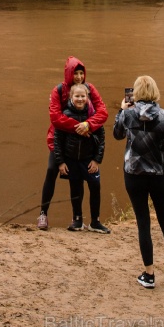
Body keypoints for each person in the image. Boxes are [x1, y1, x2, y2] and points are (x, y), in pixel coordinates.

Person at [113, 75, 164, 288]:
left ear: (135, 94)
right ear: (154, 91)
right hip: (159, 175)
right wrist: (160, 159)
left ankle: (149, 274)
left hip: (134, 175)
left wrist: (121, 109)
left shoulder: (127, 114)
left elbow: (117, 134)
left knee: (143, 223)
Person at [37, 56, 108, 231]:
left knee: (80, 179)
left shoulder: (89, 89)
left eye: (81, 73)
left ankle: (80, 219)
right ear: (68, 73)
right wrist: (77, 126)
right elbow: (55, 118)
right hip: (60, 139)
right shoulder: (58, 90)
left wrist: (88, 125)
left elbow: (103, 112)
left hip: (84, 140)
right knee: (51, 170)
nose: (78, 77)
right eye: (75, 73)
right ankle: (43, 213)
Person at [54, 83, 107, 232]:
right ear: (71, 97)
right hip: (71, 159)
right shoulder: (65, 114)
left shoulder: (93, 115)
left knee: (95, 187)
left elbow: (102, 139)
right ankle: (77, 219)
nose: (80, 99)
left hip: (89, 159)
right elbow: (57, 140)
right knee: (75, 189)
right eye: (77, 96)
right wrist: (61, 162)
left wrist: (97, 160)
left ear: (87, 97)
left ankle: (95, 221)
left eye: (83, 96)